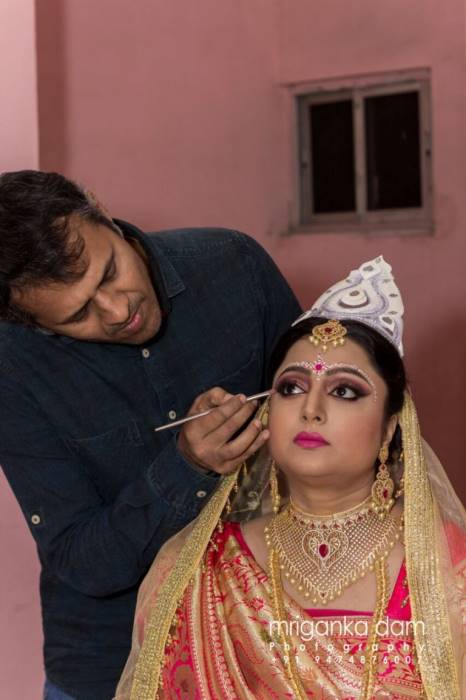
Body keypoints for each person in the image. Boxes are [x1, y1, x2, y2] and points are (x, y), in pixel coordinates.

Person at [0, 170, 301, 700]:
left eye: (110, 272)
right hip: (112, 659)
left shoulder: (233, 265)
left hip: (269, 637)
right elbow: (80, 560)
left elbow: (322, 419)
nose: (118, 311)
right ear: (32, 323)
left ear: (99, 209)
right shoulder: (14, 366)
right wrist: (187, 468)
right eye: (79, 315)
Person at [116, 257, 466, 700]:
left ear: (389, 428)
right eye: (291, 387)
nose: (310, 409)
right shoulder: (193, 571)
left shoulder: (449, 567)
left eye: (344, 391)